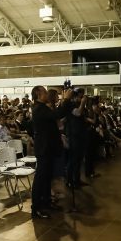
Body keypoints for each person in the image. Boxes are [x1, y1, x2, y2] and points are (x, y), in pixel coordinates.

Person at [30, 85, 73, 219]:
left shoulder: (43, 107)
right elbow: (57, 114)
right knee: (40, 179)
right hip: (43, 149)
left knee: (47, 177)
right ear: (38, 94)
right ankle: (36, 208)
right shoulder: (38, 108)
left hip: (48, 148)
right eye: (44, 92)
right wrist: (65, 99)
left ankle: (46, 202)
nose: (46, 94)